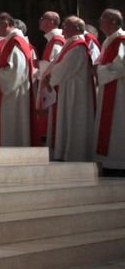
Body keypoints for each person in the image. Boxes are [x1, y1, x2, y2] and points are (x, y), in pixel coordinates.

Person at [45, 16, 95, 162]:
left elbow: (65, 67)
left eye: (67, 26)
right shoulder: (70, 44)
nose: (63, 29)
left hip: (75, 91)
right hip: (68, 87)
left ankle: (75, 154)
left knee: (74, 120)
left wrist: (50, 77)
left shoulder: (78, 46)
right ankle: (64, 152)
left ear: (77, 29)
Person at [0, 12, 33, 147]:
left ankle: (12, 146)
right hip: (11, 89)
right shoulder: (11, 40)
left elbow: (17, 70)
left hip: (14, 92)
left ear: (6, 24)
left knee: (12, 123)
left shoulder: (16, 41)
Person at [95, 9, 125, 175]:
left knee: (118, 124)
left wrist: (99, 70)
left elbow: (121, 66)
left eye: (103, 19)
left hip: (120, 93)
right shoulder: (110, 41)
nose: (99, 22)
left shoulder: (121, 40)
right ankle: (111, 162)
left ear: (113, 22)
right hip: (110, 88)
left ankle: (119, 164)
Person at [35, 11, 65, 145]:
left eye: (43, 18)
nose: (40, 20)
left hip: (53, 84)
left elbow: (56, 62)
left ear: (52, 22)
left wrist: (40, 67)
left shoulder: (57, 40)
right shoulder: (51, 40)